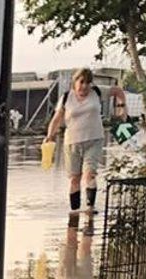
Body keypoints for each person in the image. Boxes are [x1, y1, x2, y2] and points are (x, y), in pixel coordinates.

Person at [46, 68, 105, 231]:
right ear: (75, 82)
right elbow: (57, 118)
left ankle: (90, 208)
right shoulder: (66, 97)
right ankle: (74, 212)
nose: (84, 86)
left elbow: (118, 91)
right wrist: (50, 136)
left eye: (87, 82)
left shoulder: (97, 93)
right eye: (81, 82)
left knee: (90, 174)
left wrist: (121, 106)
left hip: (94, 139)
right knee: (74, 178)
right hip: (72, 142)